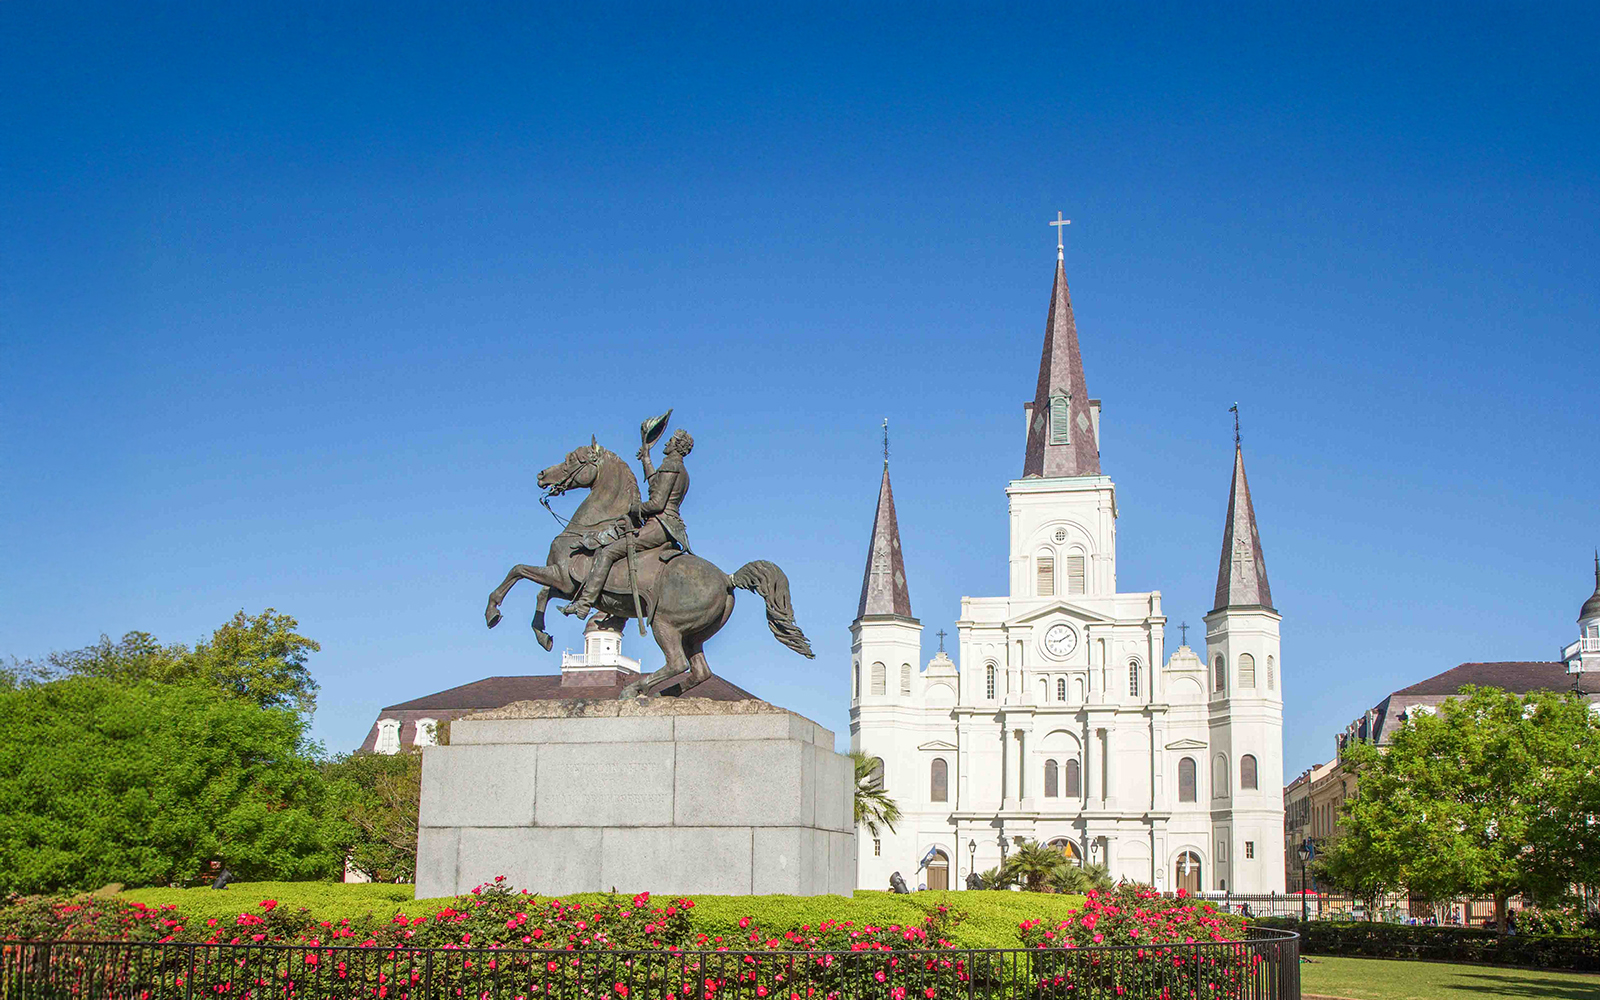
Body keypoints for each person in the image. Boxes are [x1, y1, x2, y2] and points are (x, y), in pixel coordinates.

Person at [563, 428, 694, 619]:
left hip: (659, 525)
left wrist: (634, 509)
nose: (666, 443)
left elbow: (657, 503)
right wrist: (646, 460)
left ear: (677, 446)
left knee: (608, 552)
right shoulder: (681, 470)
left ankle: (584, 604)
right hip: (670, 526)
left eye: (671, 441)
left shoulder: (670, 466)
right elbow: (655, 485)